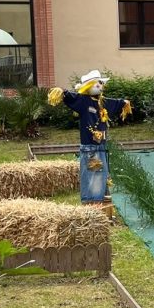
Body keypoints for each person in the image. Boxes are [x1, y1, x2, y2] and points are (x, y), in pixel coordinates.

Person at [48, 70, 131, 213]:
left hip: (101, 147)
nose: (100, 86)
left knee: (102, 175)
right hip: (90, 149)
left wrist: (123, 103)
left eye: (101, 83)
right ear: (88, 86)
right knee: (94, 175)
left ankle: (102, 205)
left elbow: (114, 103)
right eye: (97, 83)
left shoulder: (102, 102)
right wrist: (62, 91)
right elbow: (70, 96)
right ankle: (92, 207)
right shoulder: (83, 101)